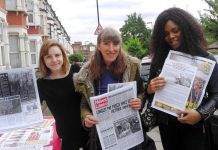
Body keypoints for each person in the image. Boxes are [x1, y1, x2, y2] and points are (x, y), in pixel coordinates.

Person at [146, 7, 218, 150]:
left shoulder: (206, 59)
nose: (171, 36)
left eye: (175, 30)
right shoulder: (159, 60)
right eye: (166, 33)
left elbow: (217, 93)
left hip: (195, 127)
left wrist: (200, 114)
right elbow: (149, 95)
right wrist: (149, 89)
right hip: (167, 126)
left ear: (186, 29)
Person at [74, 27, 156, 150]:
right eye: (106, 44)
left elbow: (141, 93)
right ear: (99, 46)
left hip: (128, 131)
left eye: (116, 44)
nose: (111, 49)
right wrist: (85, 117)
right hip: (102, 133)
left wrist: (139, 101)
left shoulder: (133, 66)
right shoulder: (87, 72)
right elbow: (84, 103)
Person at [37, 40, 88, 150]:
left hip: (88, 130)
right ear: (43, 60)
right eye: (48, 57)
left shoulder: (77, 71)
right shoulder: (41, 83)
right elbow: (33, 110)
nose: (54, 60)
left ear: (63, 56)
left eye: (57, 55)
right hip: (66, 136)